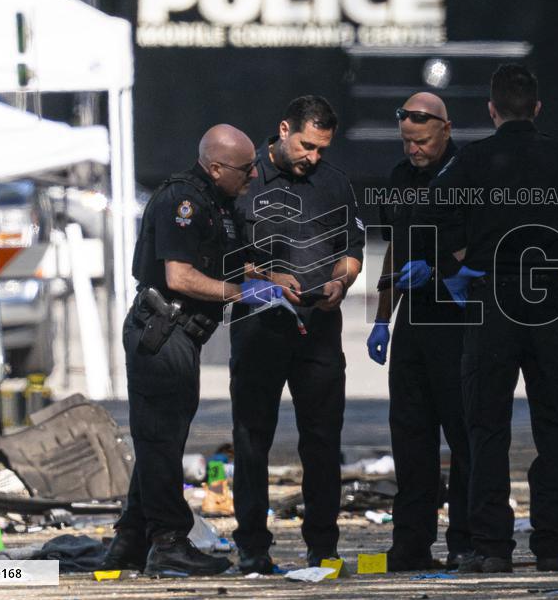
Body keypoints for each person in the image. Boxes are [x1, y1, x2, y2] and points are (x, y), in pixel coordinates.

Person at [400, 65, 558, 573]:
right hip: (550, 302)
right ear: (537, 108)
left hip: (491, 305)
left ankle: (491, 547)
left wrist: (455, 269)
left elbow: (430, 215)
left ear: (491, 110)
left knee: (486, 427)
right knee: (555, 426)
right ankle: (551, 546)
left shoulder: (475, 161)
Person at [102, 125, 282, 577]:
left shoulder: (218, 203)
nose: (254, 175)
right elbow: (180, 277)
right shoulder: (182, 201)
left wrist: (268, 278)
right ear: (216, 166)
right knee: (161, 441)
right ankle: (168, 543)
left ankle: (129, 539)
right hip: (163, 330)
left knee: (161, 439)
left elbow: (225, 257)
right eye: (245, 168)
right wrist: (241, 293)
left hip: (184, 333)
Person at [228, 95, 364, 574]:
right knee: (251, 439)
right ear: (283, 130)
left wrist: (340, 281)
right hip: (259, 327)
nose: (313, 157)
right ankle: (252, 546)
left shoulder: (333, 182)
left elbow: (352, 251)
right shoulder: (241, 179)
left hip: (319, 331)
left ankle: (322, 545)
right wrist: (265, 279)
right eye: (307, 146)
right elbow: (220, 256)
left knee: (323, 441)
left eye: (322, 149)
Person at [366, 93, 472, 571]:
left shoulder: (470, 175)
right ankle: (411, 543)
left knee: (464, 438)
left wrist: (439, 269)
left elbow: (482, 247)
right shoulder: (399, 178)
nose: (414, 150)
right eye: (407, 141)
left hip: (459, 321)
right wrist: (381, 318)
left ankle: (465, 541)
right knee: (410, 439)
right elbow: (392, 253)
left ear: (446, 130)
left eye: (423, 141)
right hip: (413, 324)